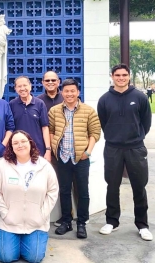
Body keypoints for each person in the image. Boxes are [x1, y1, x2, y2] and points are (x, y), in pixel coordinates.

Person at [97, 64, 152, 241]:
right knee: (112, 185)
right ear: (112, 76)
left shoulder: (140, 97)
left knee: (139, 186)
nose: (121, 78)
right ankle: (112, 221)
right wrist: (115, 136)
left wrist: (135, 136)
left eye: (124, 75)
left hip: (135, 148)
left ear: (129, 76)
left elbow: (146, 123)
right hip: (113, 148)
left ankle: (142, 224)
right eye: (117, 75)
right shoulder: (105, 99)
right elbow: (104, 122)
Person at [0, 130, 59, 263]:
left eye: (23, 141)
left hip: (36, 223)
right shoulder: (2, 165)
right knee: (6, 257)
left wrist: (42, 215)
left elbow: (52, 191)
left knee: (34, 258)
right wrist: (5, 214)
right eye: (15, 143)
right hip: (8, 223)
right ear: (11, 147)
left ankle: (25, 241)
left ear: (30, 143)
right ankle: (14, 241)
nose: (20, 145)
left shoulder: (44, 166)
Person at [49, 79, 101, 239]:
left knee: (83, 192)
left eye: (72, 91)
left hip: (81, 158)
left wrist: (88, 152)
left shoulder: (88, 111)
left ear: (78, 92)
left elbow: (95, 133)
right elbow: (51, 130)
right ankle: (66, 221)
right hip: (63, 157)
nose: (69, 94)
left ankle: (81, 223)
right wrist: (53, 148)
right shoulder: (54, 111)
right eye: (66, 91)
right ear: (62, 93)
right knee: (64, 191)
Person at [38, 71, 64, 227]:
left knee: (65, 183)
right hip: (47, 150)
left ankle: (66, 215)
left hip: (66, 149)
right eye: (47, 80)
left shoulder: (66, 98)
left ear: (58, 81)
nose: (50, 82)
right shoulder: (39, 101)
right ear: (42, 83)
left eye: (53, 80)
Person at [9, 76, 51, 161]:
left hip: (38, 149)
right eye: (19, 86)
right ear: (15, 89)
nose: (22, 88)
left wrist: (48, 149)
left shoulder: (39, 104)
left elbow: (45, 127)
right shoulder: (12, 104)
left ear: (30, 86)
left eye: (25, 85)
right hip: (19, 149)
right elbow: (9, 128)